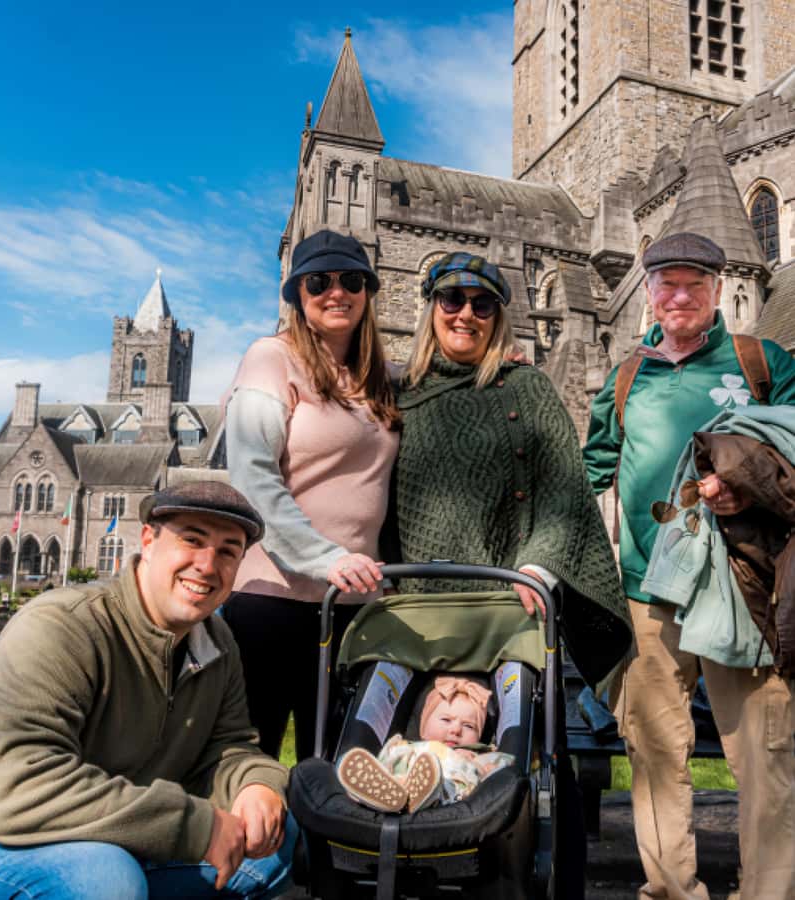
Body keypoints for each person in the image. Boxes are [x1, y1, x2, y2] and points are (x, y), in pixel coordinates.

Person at [0, 482, 297, 900]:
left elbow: (229, 745)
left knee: (273, 842)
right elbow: (18, 792)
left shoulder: (216, 641)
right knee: (102, 877)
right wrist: (199, 827)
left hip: (99, 839)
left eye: (228, 552)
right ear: (148, 540)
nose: (208, 565)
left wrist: (256, 785)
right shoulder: (61, 627)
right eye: (192, 541)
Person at [388, 251, 632, 900]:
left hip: (510, 609)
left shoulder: (527, 388)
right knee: (419, 734)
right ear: (431, 309)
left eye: (482, 304)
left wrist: (538, 565)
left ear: (499, 318)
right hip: (417, 614)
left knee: (527, 751)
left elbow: (564, 490)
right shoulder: (398, 394)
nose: (465, 313)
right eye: (452, 300)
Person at [584, 231, 795, 900]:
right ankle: (672, 891)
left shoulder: (762, 361)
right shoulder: (626, 377)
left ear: (719, 290)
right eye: (667, 284)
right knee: (653, 752)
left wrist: (748, 483)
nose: (680, 296)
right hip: (648, 591)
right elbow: (590, 470)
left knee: (765, 752)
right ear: (648, 293)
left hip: (744, 585)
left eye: (694, 284)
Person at [224, 229, 400, 761]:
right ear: (298, 295)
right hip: (272, 600)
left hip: (355, 608)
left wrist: (503, 361)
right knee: (252, 765)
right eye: (318, 282)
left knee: (337, 771)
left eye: (351, 280)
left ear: (367, 290)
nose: (336, 292)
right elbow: (253, 476)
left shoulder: (383, 378)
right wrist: (326, 559)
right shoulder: (270, 358)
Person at [336, 676, 513, 813]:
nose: (456, 730)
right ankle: (375, 790)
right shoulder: (411, 746)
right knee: (394, 757)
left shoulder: (475, 755)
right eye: (446, 720)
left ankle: (417, 796)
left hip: (447, 791)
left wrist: (487, 770)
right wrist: (392, 754)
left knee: (447, 784)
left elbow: (504, 764)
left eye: (468, 726)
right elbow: (393, 757)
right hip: (401, 780)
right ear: (424, 727)